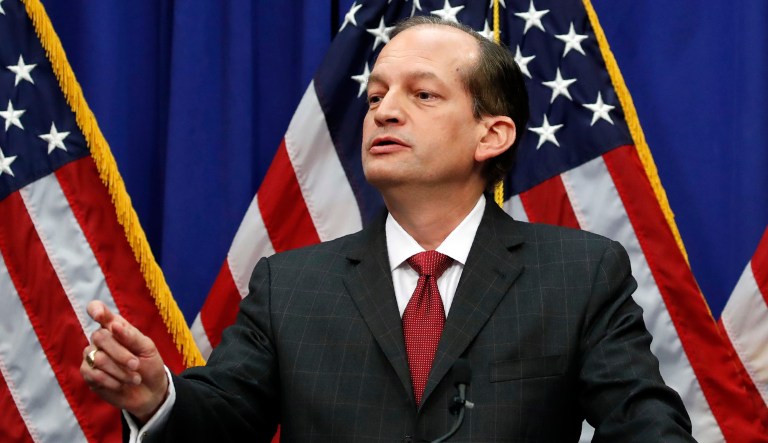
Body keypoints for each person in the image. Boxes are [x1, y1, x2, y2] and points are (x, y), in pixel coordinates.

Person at [81, 16, 695, 442]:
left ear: (492, 135)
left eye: (422, 95)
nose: (385, 110)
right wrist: (157, 397)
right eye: (375, 97)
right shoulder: (291, 285)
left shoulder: (580, 273)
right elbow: (222, 423)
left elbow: (645, 425)